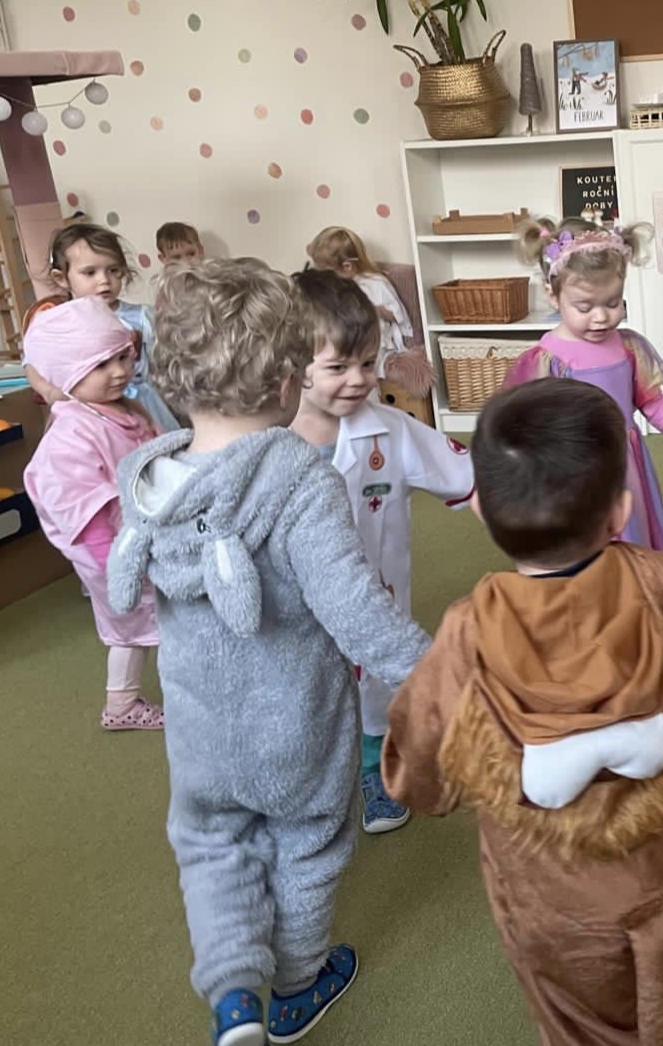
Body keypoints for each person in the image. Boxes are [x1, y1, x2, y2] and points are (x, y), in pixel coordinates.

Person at [382, 377, 663, 1046]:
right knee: (652, 974)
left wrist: (415, 782)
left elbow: (418, 765)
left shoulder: (467, 628)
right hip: (654, 861)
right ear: (620, 510)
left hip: (539, 887)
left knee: (574, 1018)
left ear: (483, 509)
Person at [106, 258, 434, 1046]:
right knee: (306, 846)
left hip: (199, 731)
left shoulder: (151, 478)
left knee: (210, 846)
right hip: (295, 724)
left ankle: (232, 998)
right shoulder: (298, 478)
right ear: (289, 380)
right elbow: (357, 611)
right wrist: (440, 673)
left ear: (170, 379)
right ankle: (295, 984)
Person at [290, 268, 474, 835]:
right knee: (304, 693)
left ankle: (376, 768)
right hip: (295, 605)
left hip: (375, 592)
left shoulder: (391, 430)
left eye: (368, 364)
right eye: (337, 368)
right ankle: (311, 784)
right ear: (291, 365)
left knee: (376, 686)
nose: (358, 380)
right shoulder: (265, 441)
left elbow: (466, 476)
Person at [504, 216, 663, 553]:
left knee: (632, 539)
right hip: (575, 471)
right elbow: (525, 425)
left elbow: (651, 401)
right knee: (588, 546)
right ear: (552, 295)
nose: (602, 317)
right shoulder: (548, 359)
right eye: (585, 307)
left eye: (613, 303)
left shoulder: (627, 347)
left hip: (625, 465)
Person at [22, 296, 163, 730]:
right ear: (68, 374)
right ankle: (122, 706)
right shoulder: (71, 435)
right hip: (112, 553)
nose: (119, 371)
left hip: (140, 540)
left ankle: (125, 703)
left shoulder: (124, 409)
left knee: (140, 626)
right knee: (135, 626)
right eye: (101, 365)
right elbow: (82, 512)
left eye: (122, 357)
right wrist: (114, 567)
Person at [22, 223, 179, 432]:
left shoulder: (142, 316)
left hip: (145, 408)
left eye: (113, 270)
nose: (104, 280)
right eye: (90, 272)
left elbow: (168, 363)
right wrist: (49, 392)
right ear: (62, 278)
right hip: (87, 413)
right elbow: (31, 362)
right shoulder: (60, 323)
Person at [305, 225, 424, 388]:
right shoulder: (336, 286)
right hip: (342, 337)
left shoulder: (375, 284)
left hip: (371, 340)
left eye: (327, 272)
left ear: (347, 267)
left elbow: (397, 315)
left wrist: (373, 310)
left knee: (357, 365)